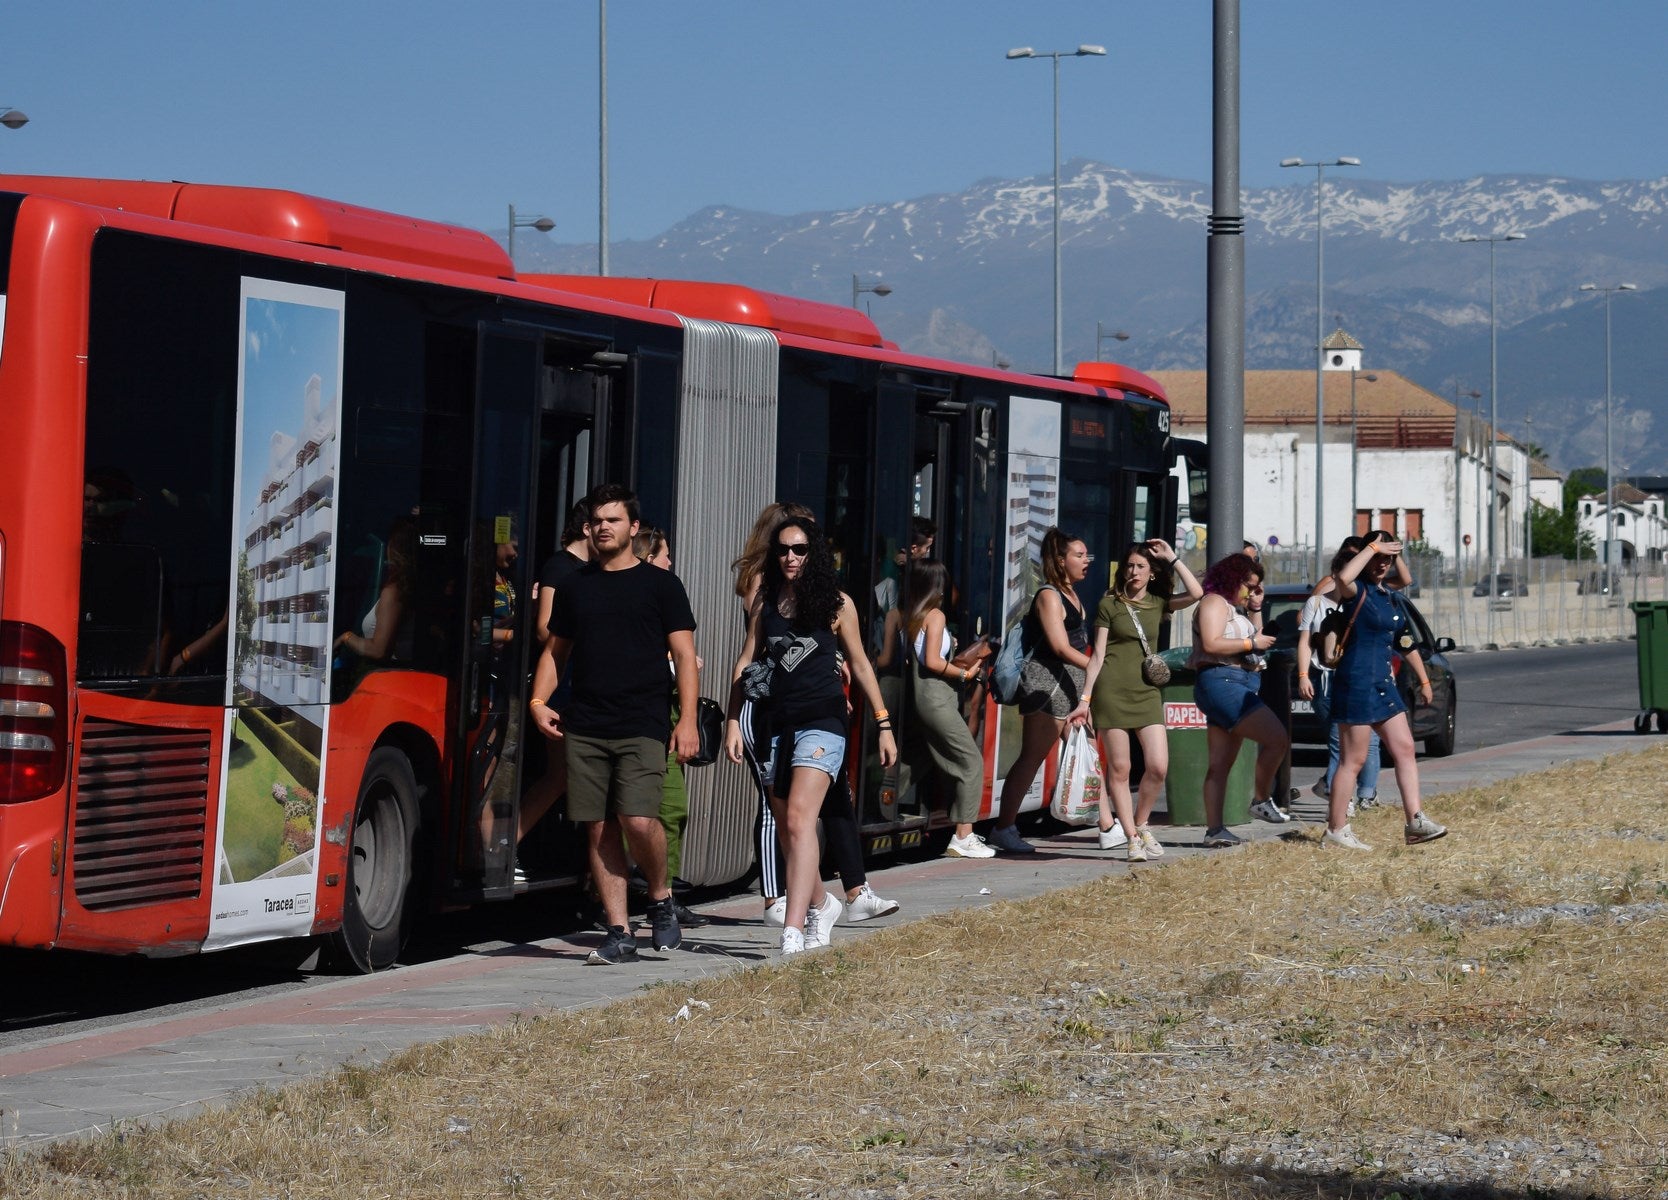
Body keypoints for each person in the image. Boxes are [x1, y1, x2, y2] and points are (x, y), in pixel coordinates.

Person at [528, 484, 700, 965]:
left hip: (643, 721)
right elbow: (555, 651)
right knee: (599, 828)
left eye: (614, 520)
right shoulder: (576, 585)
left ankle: (661, 896)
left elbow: (685, 656)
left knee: (639, 819)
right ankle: (618, 931)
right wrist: (539, 700)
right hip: (585, 724)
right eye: (597, 521)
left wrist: (687, 721)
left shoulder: (661, 585)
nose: (604, 527)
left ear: (633, 528)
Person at [724, 516, 898, 955]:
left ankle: (793, 930)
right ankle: (823, 903)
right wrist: (732, 720)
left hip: (824, 720)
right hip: (774, 724)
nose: (790, 558)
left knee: (801, 819)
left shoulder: (837, 603)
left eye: (799, 550)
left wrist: (883, 722)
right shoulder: (765, 600)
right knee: (789, 828)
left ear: (814, 553)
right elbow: (745, 662)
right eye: (783, 549)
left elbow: (860, 664)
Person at [1072, 539, 1202, 861]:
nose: (1133, 572)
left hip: (1146, 693)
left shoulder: (1159, 603)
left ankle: (1142, 823)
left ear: (1151, 573)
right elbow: (1098, 655)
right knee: (1120, 767)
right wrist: (1085, 700)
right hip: (1111, 692)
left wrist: (1172, 558)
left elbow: (1197, 593)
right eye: (1129, 566)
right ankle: (1131, 836)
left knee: (1158, 766)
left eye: (1140, 567)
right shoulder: (1109, 605)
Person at [1322, 533, 1448, 851]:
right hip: (1357, 682)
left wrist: (1395, 551)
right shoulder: (1355, 591)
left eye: (1387, 560)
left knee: (1405, 749)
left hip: (1383, 684)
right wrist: (1373, 548)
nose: (1382, 565)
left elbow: (1405, 581)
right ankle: (1336, 829)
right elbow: (1344, 575)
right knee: (1354, 759)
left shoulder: (1387, 595)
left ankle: (1415, 821)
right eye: (1378, 558)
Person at [875, 560, 994, 859]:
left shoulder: (900, 615)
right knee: (970, 762)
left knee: (919, 757)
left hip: (914, 697)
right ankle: (963, 835)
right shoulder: (935, 615)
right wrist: (966, 674)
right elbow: (932, 661)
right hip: (937, 699)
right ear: (938, 586)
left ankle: (873, 804)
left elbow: (888, 660)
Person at [987, 528, 1093, 855]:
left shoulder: (1071, 593)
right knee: (1033, 756)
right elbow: (1060, 646)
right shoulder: (1049, 596)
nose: (1086, 561)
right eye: (1079, 555)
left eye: (1087, 555)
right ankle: (1003, 828)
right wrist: (1096, 665)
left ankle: (1111, 826)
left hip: (1069, 682)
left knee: (1086, 753)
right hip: (1046, 684)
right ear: (1060, 561)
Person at [1188, 553, 1286, 848]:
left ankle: (1215, 830)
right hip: (1223, 682)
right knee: (1277, 739)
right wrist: (1251, 643)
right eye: (1249, 586)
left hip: (1234, 681)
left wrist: (1256, 607)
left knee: (1220, 764)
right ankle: (1260, 798)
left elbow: (1255, 640)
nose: (1250, 592)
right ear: (1234, 579)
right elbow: (1212, 642)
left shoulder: (1235, 608)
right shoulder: (1214, 602)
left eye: (1256, 587)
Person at [516, 502, 592, 866]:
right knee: (559, 776)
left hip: (572, 684)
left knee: (563, 776)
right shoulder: (561, 566)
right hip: (559, 687)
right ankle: (503, 845)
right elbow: (545, 627)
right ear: (589, 529)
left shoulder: (583, 569)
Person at [1295, 537, 1382, 815]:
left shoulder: (1363, 602)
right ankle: (1341, 800)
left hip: (1354, 678)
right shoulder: (1318, 602)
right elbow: (1305, 640)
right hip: (1325, 678)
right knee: (1340, 741)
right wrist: (1303, 674)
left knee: (1350, 740)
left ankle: (1344, 796)